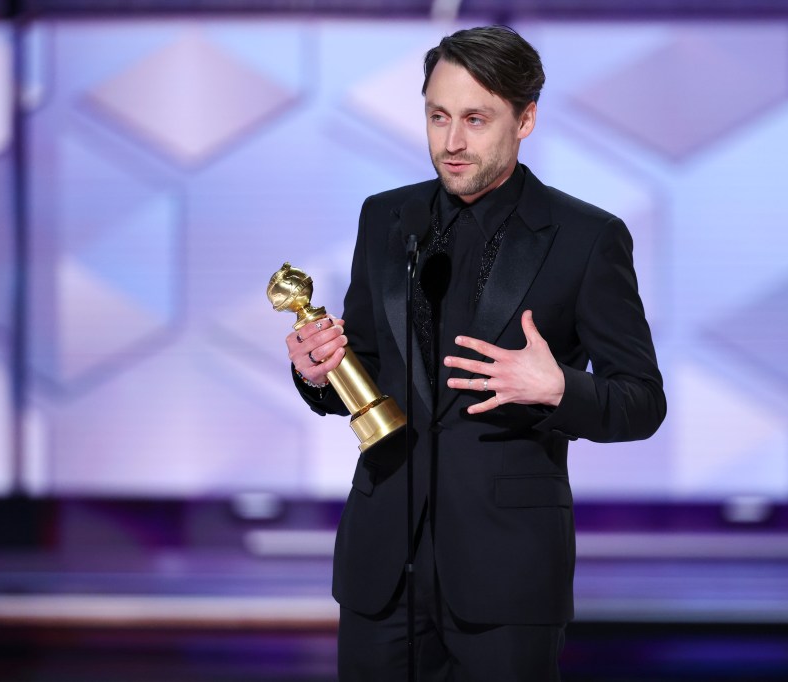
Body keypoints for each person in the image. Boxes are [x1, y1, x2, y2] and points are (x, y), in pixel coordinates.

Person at [285, 25, 666, 681]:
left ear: (526, 119)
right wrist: (317, 374)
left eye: (474, 120)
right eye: (437, 117)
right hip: (382, 561)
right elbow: (365, 363)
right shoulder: (386, 218)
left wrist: (558, 389)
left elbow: (642, 402)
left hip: (507, 572)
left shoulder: (586, 237)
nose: (451, 142)